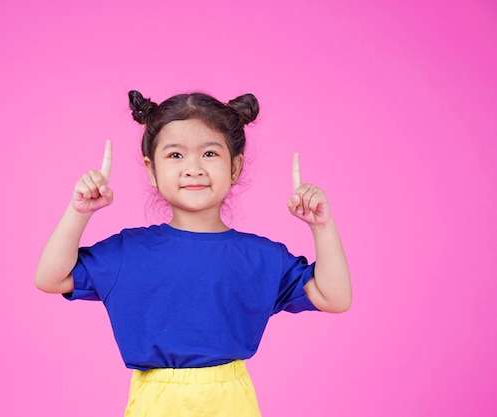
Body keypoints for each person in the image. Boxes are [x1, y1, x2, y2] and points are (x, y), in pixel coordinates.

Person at [35, 90, 352, 416]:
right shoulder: (127, 253)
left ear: (235, 165)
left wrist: (322, 226)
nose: (194, 168)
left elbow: (335, 297)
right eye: (175, 156)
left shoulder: (260, 257)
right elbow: (50, 277)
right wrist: (79, 211)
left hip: (231, 404)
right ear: (151, 169)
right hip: (155, 405)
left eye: (210, 154)